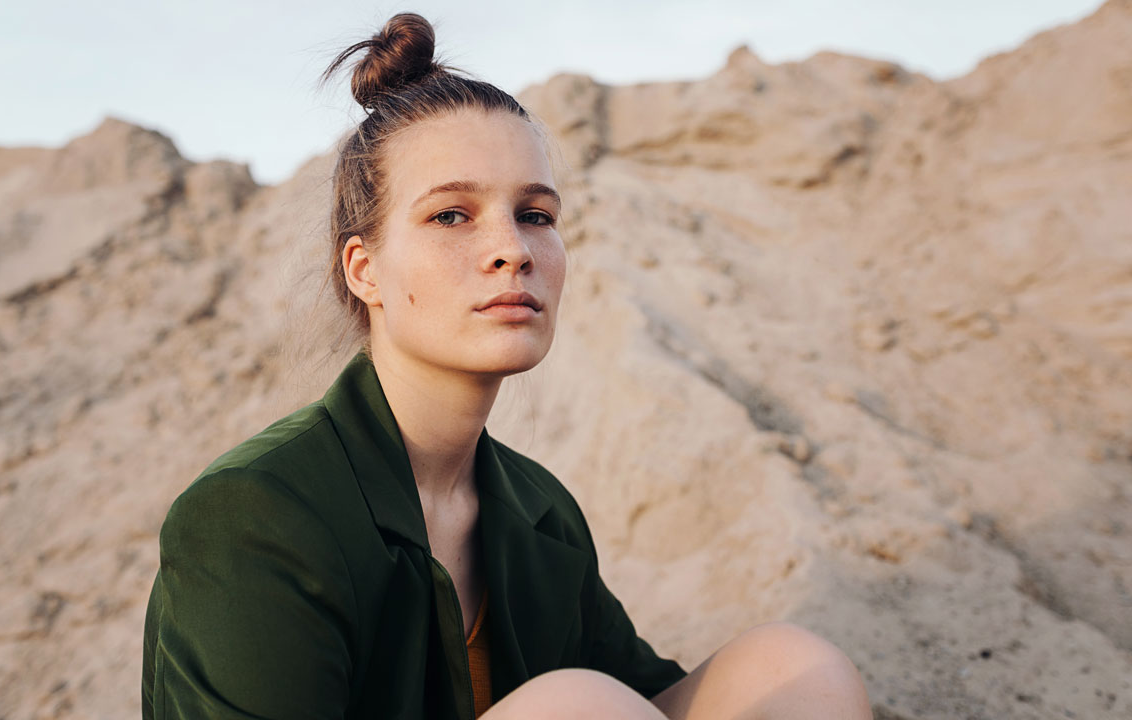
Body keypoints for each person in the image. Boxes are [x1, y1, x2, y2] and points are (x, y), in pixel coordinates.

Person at [141, 11, 873, 720]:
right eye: (451, 215)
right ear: (364, 270)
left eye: (535, 214)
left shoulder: (538, 511)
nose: (513, 249)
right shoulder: (254, 514)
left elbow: (648, 699)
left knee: (790, 668)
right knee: (579, 709)